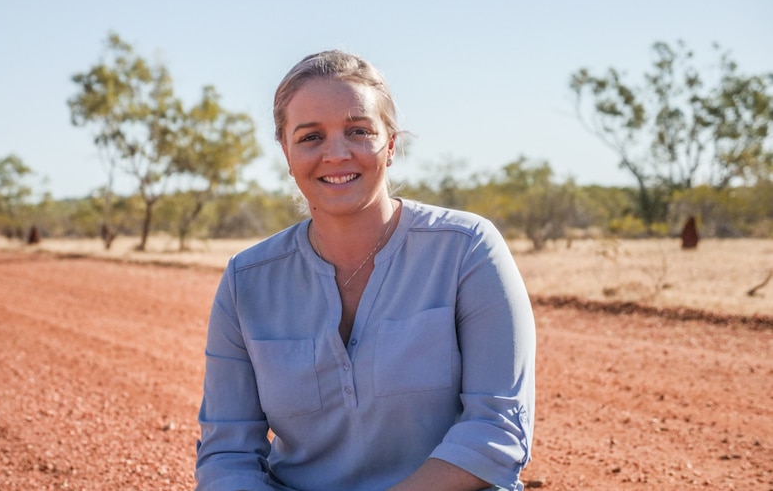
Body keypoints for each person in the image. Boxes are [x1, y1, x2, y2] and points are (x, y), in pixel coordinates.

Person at [194, 50, 536, 491]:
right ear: (286, 151)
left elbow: (497, 430)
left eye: (358, 131)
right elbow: (227, 453)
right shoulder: (247, 281)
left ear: (390, 144)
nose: (336, 154)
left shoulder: (467, 249)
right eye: (310, 137)